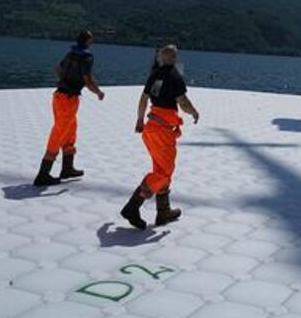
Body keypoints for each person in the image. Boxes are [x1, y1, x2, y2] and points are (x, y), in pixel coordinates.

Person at [121, 44, 200, 230]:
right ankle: (133, 206)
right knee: (163, 173)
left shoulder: (154, 75)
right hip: (163, 132)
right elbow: (183, 102)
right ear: (174, 57)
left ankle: (163, 211)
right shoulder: (174, 76)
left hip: (151, 128)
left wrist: (140, 120)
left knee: (161, 169)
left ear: (161, 58)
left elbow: (143, 99)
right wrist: (194, 112)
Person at [34, 30, 104, 186]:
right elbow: (87, 79)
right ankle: (43, 174)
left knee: (70, 129)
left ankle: (67, 168)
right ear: (88, 41)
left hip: (59, 96)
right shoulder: (86, 56)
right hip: (68, 99)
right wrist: (98, 92)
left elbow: (57, 69)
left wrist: (63, 82)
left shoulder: (71, 54)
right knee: (59, 132)